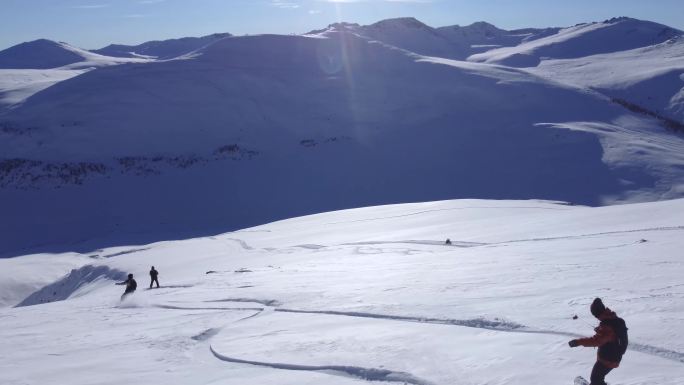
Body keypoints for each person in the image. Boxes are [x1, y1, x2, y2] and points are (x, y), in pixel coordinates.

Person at [568, 298, 628, 385]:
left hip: (608, 359)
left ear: (597, 313)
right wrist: (600, 331)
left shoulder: (606, 326)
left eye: (595, 315)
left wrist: (578, 342)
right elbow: (612, 334)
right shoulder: (614, 319)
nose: (596, 318)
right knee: (597, 378)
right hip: (615, 355)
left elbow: (596, 341)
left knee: (596, 379)